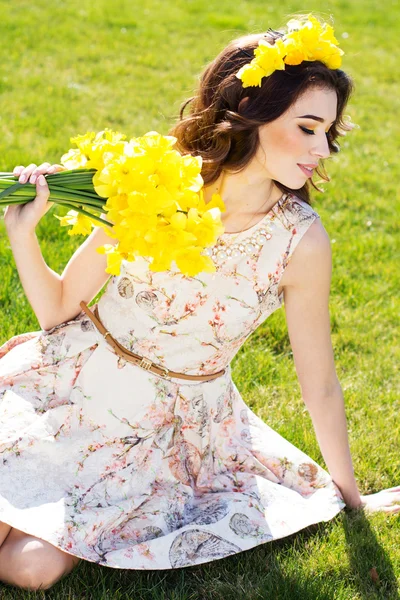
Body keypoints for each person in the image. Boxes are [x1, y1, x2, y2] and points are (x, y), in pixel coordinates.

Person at [0, 13, 399, 593]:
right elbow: (60, 310)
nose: (321, 149)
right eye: (307, 127)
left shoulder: (301, 242)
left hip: (175, 431)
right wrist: (23, 233)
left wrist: (350, 496)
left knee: (29, 569)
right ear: (255, 114)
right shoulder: (155, 180)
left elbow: (321, 385)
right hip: (74, 382)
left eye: (328, 133)